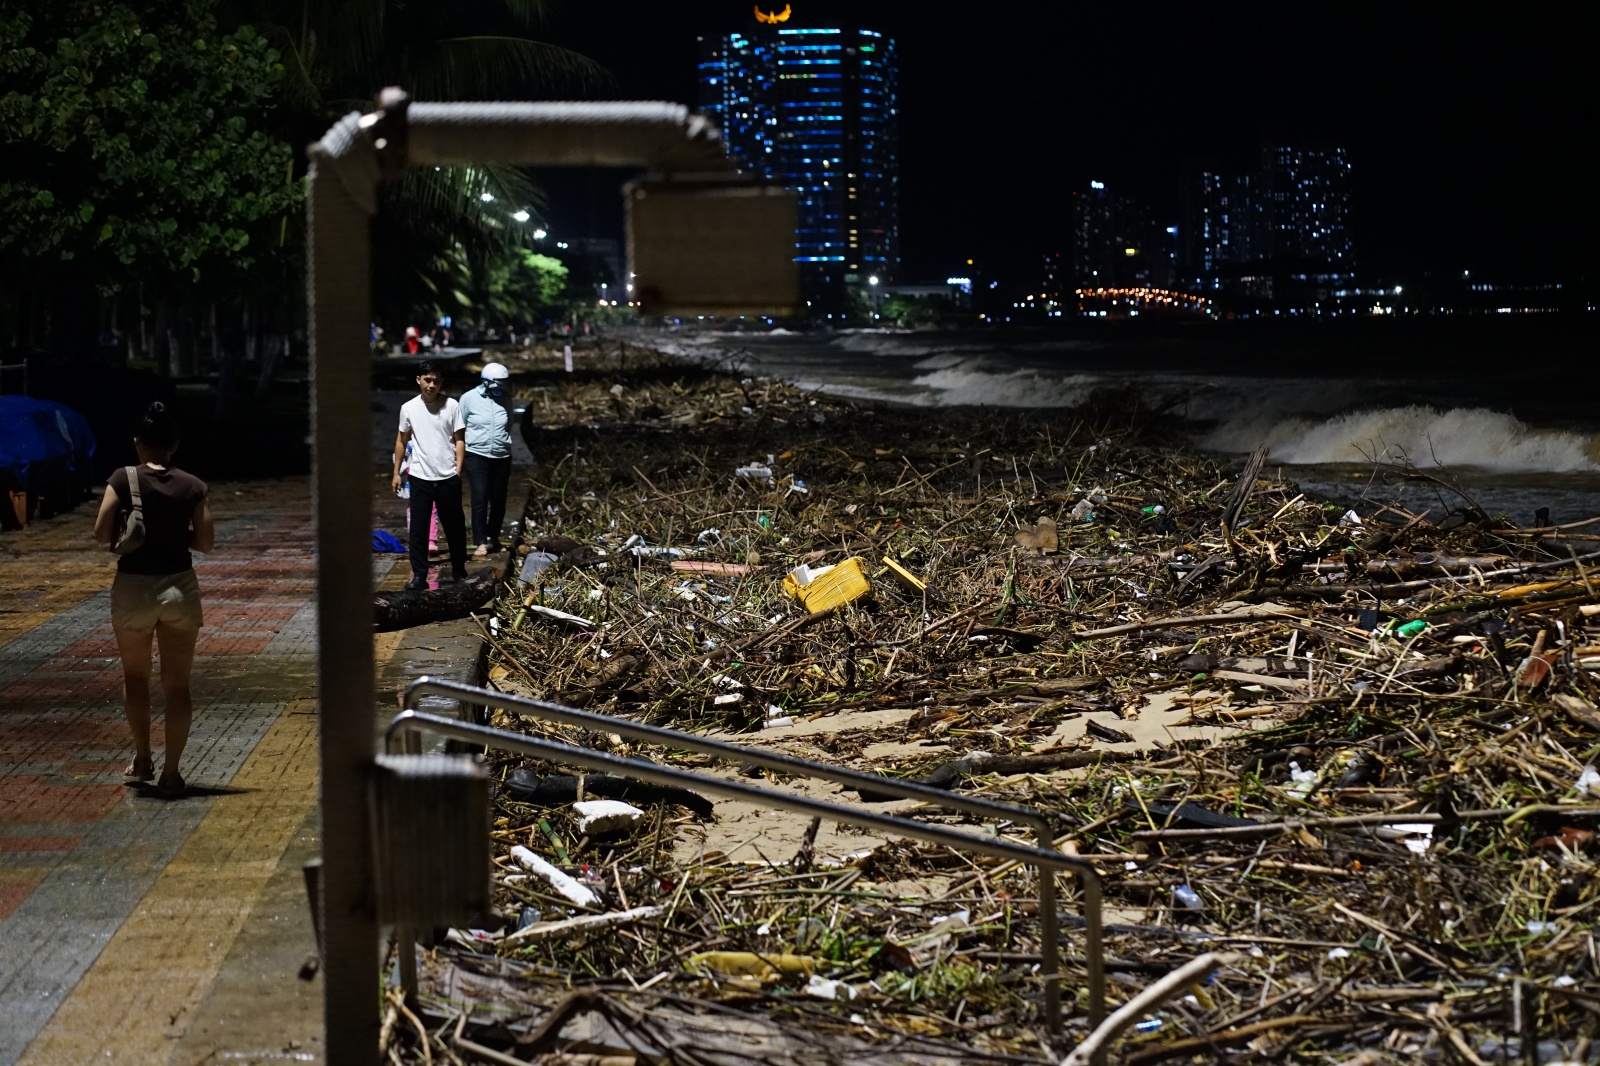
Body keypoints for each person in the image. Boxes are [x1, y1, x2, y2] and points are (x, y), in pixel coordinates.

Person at [92, 402, 214, 798]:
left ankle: (143, 758)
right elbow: (207, 542)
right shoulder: (193, 485)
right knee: (177, 685)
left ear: (138, 444)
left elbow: (100, 534)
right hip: (179, 587)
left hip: (134, 589)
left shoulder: (121, 478)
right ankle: (173, 773)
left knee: (136, 678)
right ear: (174, 445)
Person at [392, 360, 467, 590]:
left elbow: (460, 439)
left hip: (447, 477)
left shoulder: (452, 406)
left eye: (435, 380)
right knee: (418, 529)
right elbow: (401, 441)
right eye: (427, 380)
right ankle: (419, 575)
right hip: (420, 476)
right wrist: (396, 472)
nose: (431, 385)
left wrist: (458, 469)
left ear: (441, 382)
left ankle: (459, 570)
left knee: (454, 526)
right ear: (418, 380)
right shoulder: (409, 408)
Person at [460, 361, 513, 556]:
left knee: (499, 500)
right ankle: (480, 541)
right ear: (486, 382)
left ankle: (494, 537)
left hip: (502, 455)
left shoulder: (506, 399)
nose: (502, 388)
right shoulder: (468, 399)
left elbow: (509, 423)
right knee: (480, 497)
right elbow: (460, 424)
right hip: (476, 455)